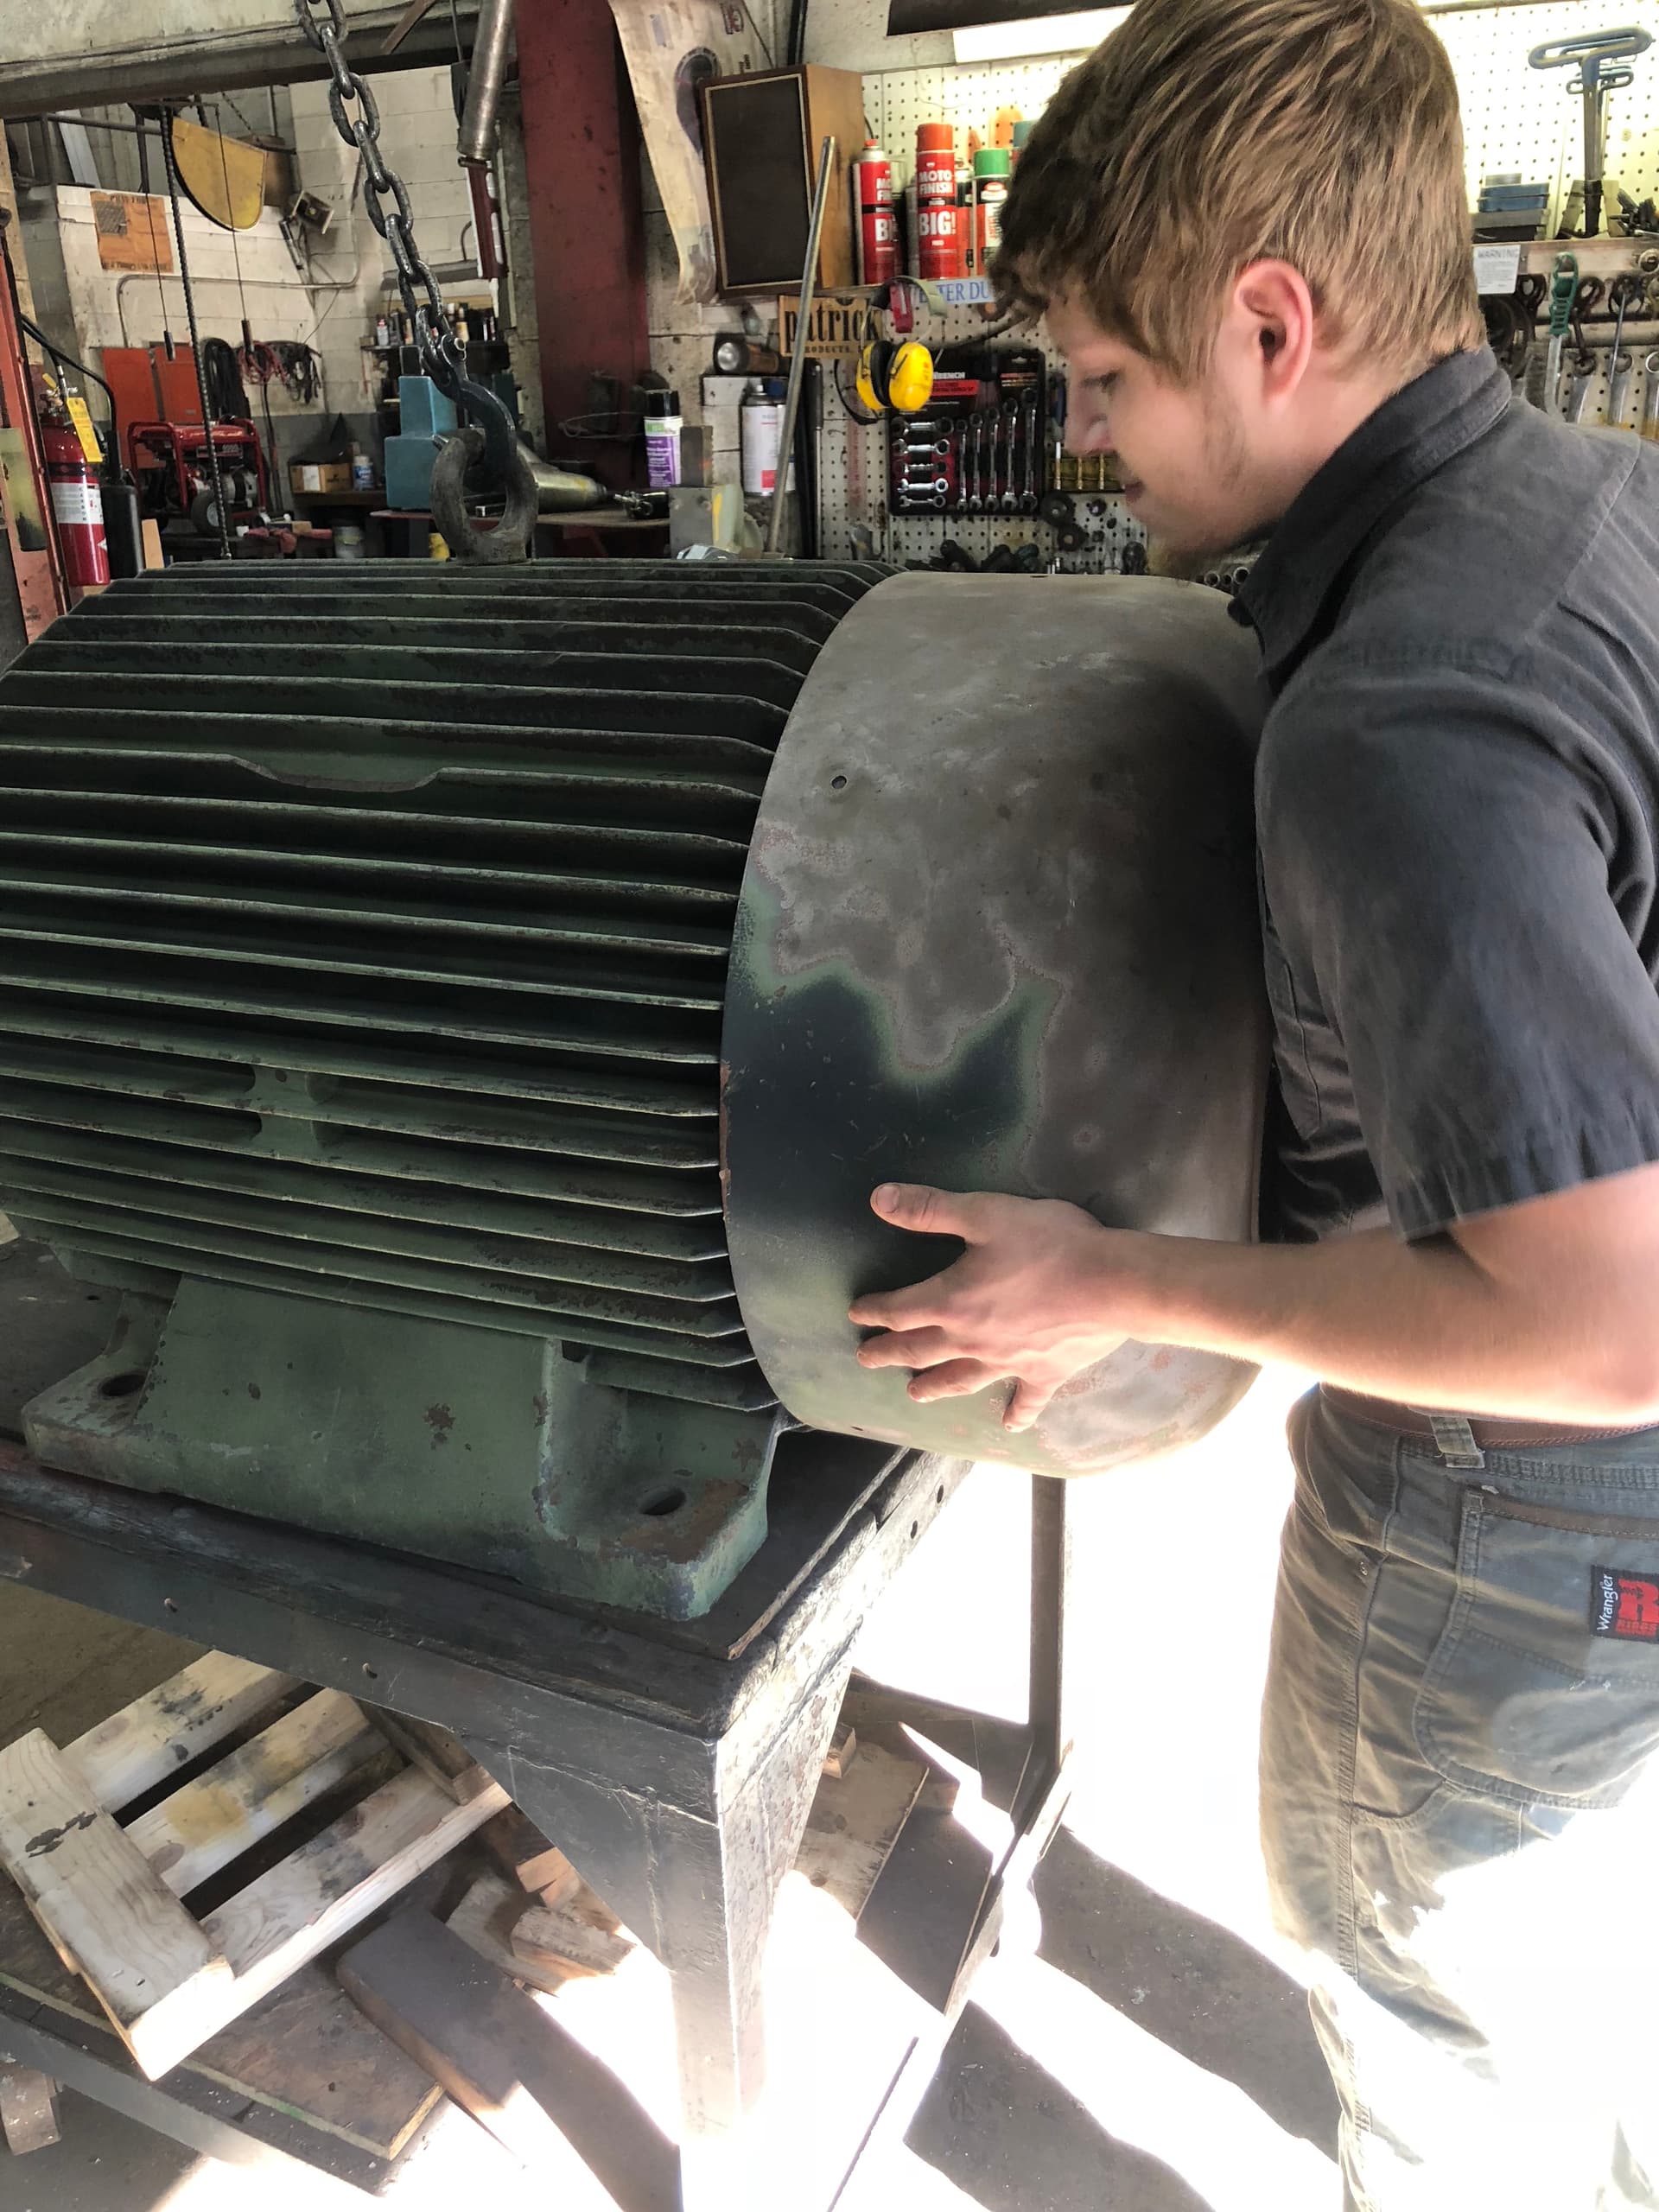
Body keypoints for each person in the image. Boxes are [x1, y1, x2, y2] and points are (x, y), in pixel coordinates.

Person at [847, 2, 1659, 2205]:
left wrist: (1117, 1280)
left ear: (1271, 325)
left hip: (1525, 1528)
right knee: (1571, 1994)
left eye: (1107, 379)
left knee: (1442, 2026)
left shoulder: (1402, 713)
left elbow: (1603, 1323)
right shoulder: (1595, 503)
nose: (1087, 436)